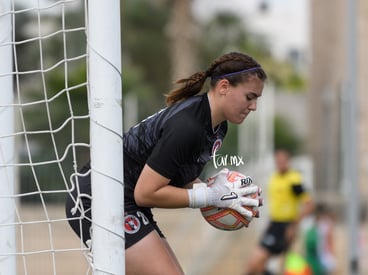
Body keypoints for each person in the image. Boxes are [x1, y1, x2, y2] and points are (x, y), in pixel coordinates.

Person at [65, 52, 267, 275]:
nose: (254, 106)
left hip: (128, 199)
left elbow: (182, 177)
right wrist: (209, 196)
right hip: (97, 196)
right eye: (250, 97)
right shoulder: (188, 125)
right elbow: (147, 192)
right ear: (224, 87)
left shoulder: (217, 126)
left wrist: (227, 195)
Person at [245, 148, 314, 275]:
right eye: (278, 161)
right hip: (274, 223)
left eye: (283, 161)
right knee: (255, 264)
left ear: (289, 162)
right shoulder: (274, 178)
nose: (280, 163)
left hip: (287, 226)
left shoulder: (293, 180)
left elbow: (309, 205)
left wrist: (293, 225)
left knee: (278, 264)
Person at [304, 203, 336, 275]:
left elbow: (329, 239)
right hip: (316, 256)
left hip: (323, 255)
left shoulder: (324, 224)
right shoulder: (311, 225)